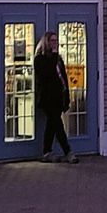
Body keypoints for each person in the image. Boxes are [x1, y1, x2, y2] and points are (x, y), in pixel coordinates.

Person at [34, 31, 77, 163]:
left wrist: (66, 96)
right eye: (52, 40)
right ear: (46, 42)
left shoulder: (58, 59)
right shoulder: (40, 59)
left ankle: (47, 152)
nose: (55, 43)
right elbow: (45, 75)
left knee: (52, 125)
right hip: (48, 98)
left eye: (56, 40)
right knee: (58, 124)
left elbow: (63, 78)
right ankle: (68, 152)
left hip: (59, 97)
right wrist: (52, 56)